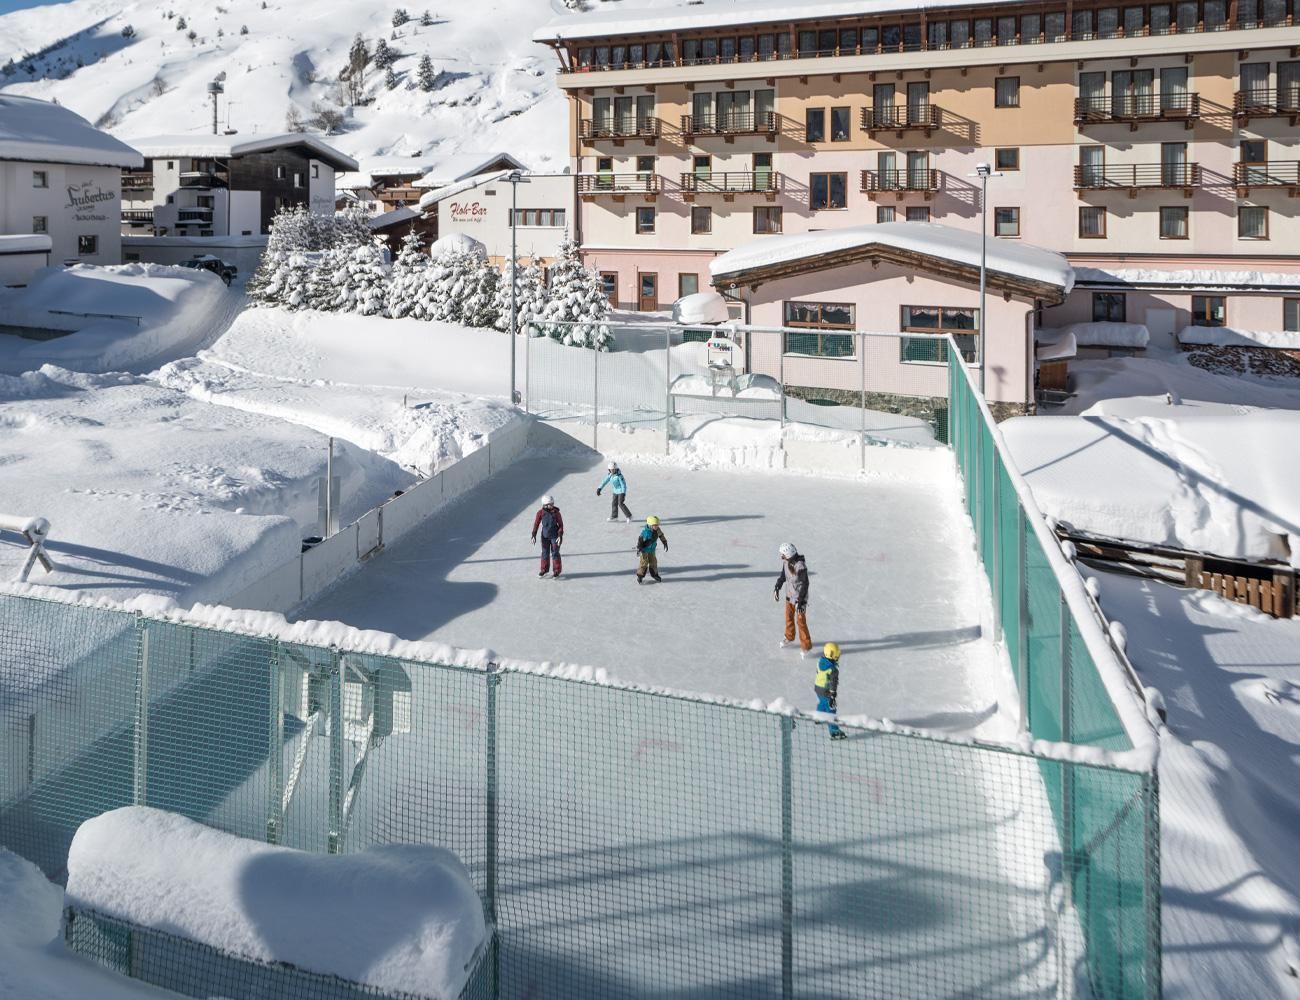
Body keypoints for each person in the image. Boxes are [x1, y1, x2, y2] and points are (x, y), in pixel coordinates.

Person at [773, 542, 811, 655]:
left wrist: (801, 601)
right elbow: (783, 576)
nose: (781, 557)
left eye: (783, 554)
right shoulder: (786, 562)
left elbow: (805, 584)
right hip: (789, 596)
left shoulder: (800, 566)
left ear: (789, 554)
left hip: (800, 598)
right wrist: (777, 587)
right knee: (788, 618)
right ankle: (789, 637)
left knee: (801, 622)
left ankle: (806, 646)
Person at [814, 642, 846, 740]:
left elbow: (817, 672)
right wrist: (832, 694)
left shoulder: (820, 661)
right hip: (826, 690)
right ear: (831, 654)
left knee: (823, 703)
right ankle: (834, 731)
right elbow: (833, 682)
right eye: (837, 654)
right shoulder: (833, 669)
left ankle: (818, 717)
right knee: (831, 708)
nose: (838, 656)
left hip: (818, 687)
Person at [530, 495, 564, 578]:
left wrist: (560, 535)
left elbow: (560, 525)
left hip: (554, 536)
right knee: (544, 553)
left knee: (555, 552)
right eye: (549, 504)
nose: (551, 506)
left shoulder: (556, 513)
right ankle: (544, 569)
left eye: (552, 504)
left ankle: (557, 570)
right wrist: (533, 535)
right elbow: (536, 524)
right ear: (544, 505)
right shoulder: (540, 513)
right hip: (544, 536)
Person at [635, 515, 668, 583]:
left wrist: (664, 542)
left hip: (652, 550)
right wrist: (639, 549)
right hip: (644, 550)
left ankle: (654, 574)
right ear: (650, 525)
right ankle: (640, 576)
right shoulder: (645, 532)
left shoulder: (657, 529)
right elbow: (640, 540)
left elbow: (661, 535)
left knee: (653, 562)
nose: (656, 526)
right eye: (655, 525)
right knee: (644, 563)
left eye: (657, 525)